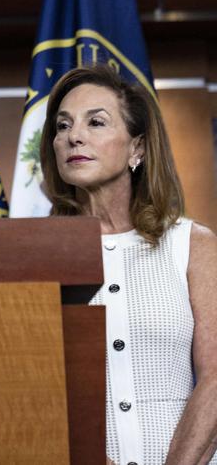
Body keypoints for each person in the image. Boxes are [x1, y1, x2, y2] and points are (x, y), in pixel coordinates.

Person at [41, 65, 217, 465]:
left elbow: (216, 379)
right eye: (63, 125)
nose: (74, 136)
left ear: (137, 147)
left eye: (96, 122)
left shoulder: (192, 244)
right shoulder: (36, 256)